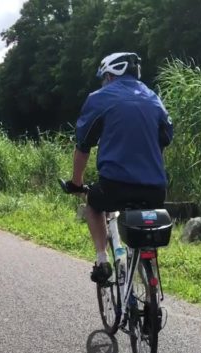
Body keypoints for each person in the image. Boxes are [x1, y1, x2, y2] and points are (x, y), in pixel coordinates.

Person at [67, 52, 174, 284]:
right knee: (145, 230)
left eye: (104, 77)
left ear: (110, 74)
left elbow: (83, 145)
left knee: (94, 205)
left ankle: (102, 259)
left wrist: (76, 183)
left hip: (115, 186)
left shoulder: (100, 97)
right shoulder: (153, 98)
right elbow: (166, 137)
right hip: (155, 188)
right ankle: (150, 277)